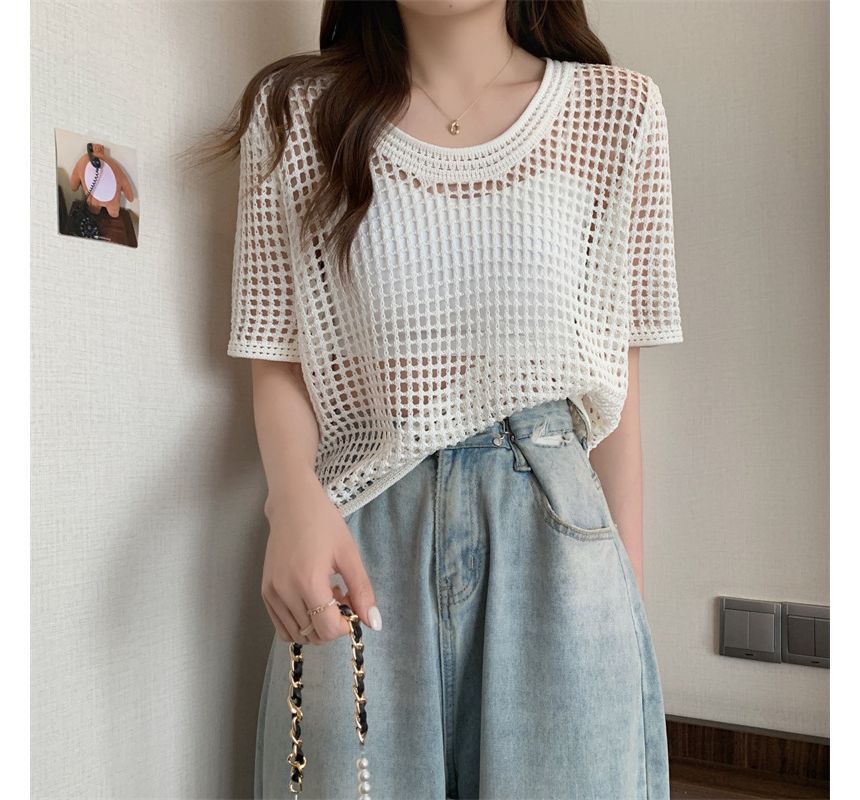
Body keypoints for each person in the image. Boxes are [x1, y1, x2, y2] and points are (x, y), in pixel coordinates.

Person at [210, 1, 684, 797]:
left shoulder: (617, 111)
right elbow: (278, 348)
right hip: (360, 528)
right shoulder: (294, 113)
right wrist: (292, 499)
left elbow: (618, 382)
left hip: (557, 539)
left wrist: (623, 606)